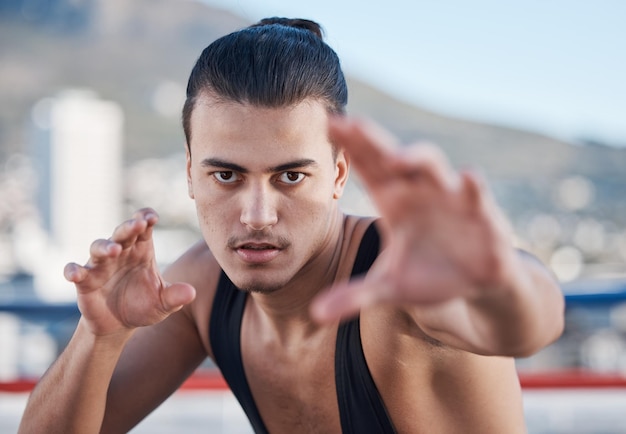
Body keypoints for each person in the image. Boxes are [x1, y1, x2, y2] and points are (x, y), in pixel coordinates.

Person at [19, 17, 565, 434]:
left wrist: (495, 279)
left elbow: (530, 326)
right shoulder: (201, 289)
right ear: (190, 174)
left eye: (290, 176)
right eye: (227, 175)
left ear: (338, 174)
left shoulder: (401, 277)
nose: (257, 215)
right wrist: (100, 337)